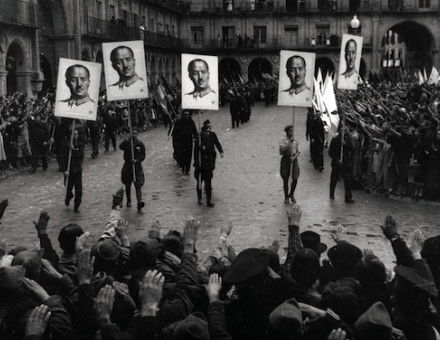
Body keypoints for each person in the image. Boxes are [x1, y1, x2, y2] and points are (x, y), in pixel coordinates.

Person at [194, 120, 224, 207]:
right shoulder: (199, 136)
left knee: (209, 183)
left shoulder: (213, 135)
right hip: (201, 163)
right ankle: (199, 198)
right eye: (208, 127)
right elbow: (196, 152)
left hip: (209, 163)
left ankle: (208, 200)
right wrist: (196, 163)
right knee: (200, 181)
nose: (209, 129)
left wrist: (221, 151)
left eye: (210, 127)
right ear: (204, 128)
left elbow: (217, 143)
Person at [119, 127, 146, 213]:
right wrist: (125, 140)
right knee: (127, 184)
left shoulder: (140, 144)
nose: (134, 134)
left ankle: (139, 204)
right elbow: (120, 147)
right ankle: (129, 200)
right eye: (132, 133)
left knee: (138, 185)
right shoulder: (127, 143)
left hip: (137, 167)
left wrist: (137, 160)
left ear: (137, 134)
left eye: (135, 133)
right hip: (128, 166)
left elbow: (143, 155)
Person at [329, 125, 355, 203]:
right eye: (341, 130)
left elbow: (352, 149)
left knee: (347, 181)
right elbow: (331, 152)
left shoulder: (347, 139)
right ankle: (331, 193)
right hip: (337, 163)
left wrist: (345, 144)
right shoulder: (335, 139)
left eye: (345, 130)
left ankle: (348, 197)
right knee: (334, 179)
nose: (343, 131)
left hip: (346, 163)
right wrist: (337, 159)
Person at [64, 122, 86, 213]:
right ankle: (68, 197)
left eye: (77, 134)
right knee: (68, 188)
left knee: (79, 189)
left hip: (77, 170)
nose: (76, 136)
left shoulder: (80, 144)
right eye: (74, 134)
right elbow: (64, 158)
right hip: (69, 170)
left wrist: (73, 150)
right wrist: (65, 170)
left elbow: (81, 155)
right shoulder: (66, 145)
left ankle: (76, 206)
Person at [172, 110, 198, 175]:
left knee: (189, 156)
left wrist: (196, 138)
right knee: (182, 156)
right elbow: (174, 132)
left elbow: (194, 131)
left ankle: (187, 169)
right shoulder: (179, 122)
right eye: (185, 115)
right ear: (183, 115)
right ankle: (183, 167)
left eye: (187, 115)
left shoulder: (191, 122)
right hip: (181, 142)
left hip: (189, 141)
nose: (186, 116)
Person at [280, 125, 300, 204]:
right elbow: (282, 149)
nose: (292, 132)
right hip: (285, 160)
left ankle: (291, 194)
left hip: (294, 160)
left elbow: (298, 151)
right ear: (287, 132)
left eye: (293, 131)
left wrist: (294, 157)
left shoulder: (295, 140)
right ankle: (286, 197)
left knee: (295, 178)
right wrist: (289, 142)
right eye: (291, 131)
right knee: (285, 179)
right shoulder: (283, 140)